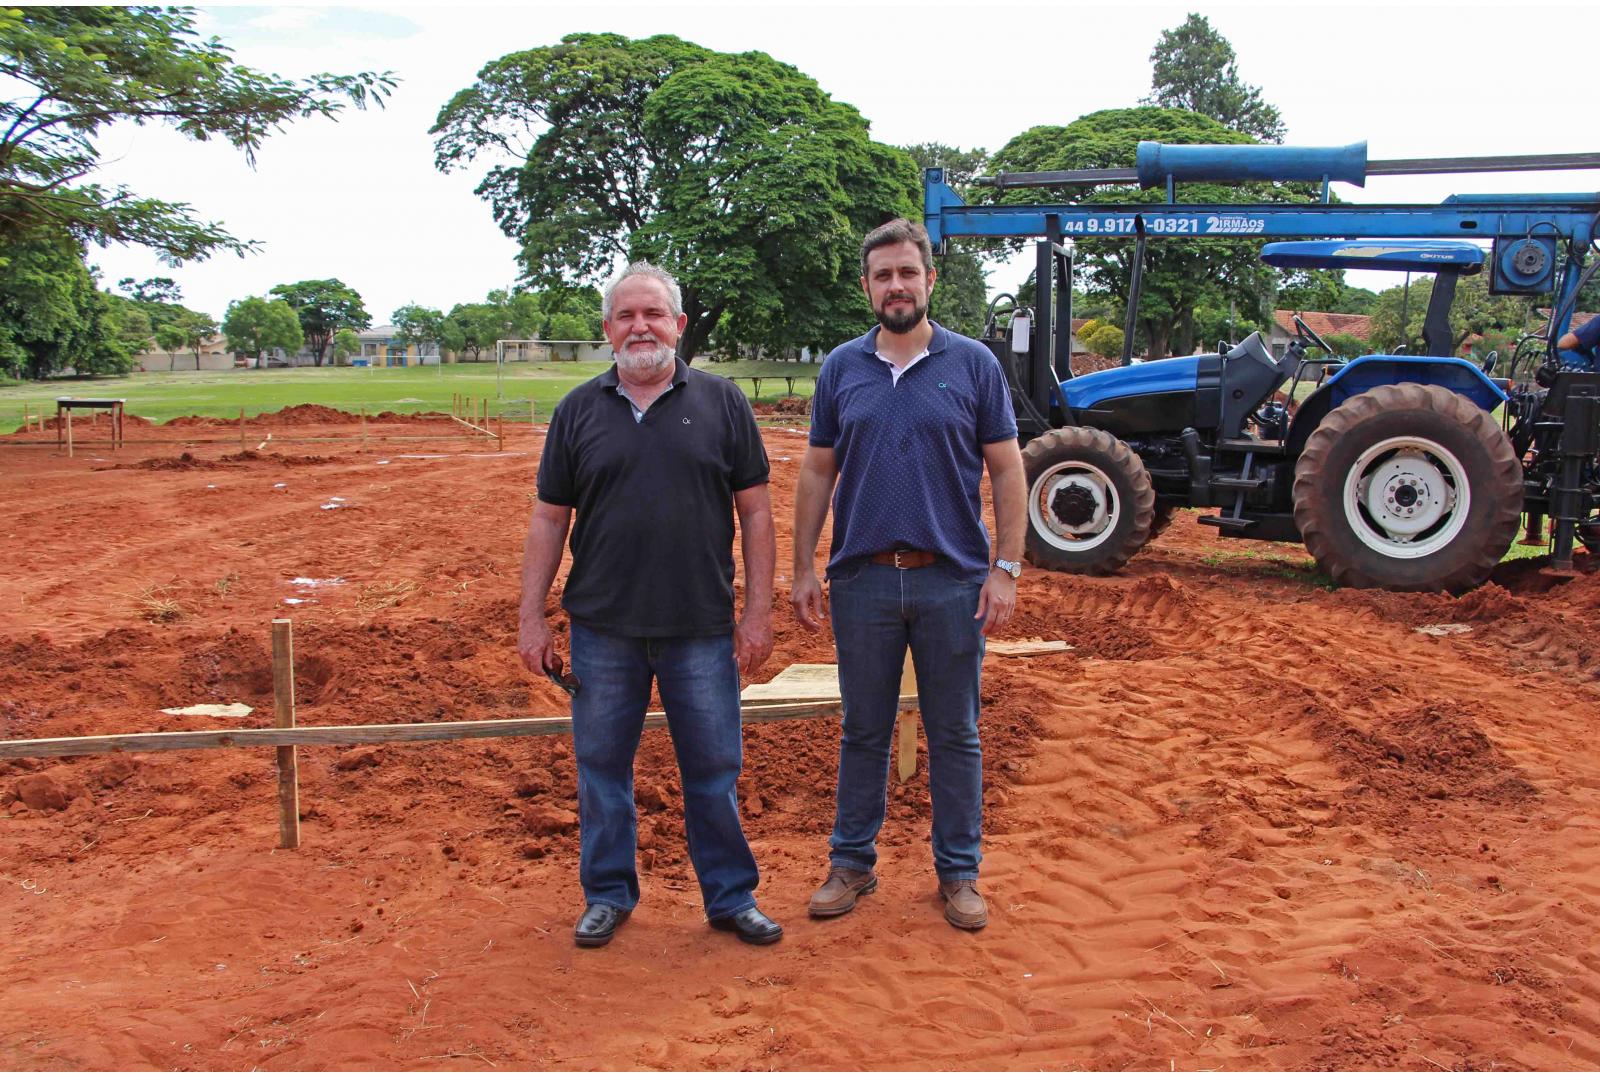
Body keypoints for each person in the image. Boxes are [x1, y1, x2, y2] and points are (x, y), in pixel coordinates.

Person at [517, 261, 781, 948]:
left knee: (714, 770)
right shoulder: (578, 411)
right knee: (603, 768)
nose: (641, 326)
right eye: (626, 316)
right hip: (604, 629)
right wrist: (530, 614)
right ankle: (608, 893)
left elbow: (755, 514)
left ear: (679, 325)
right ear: (607, 330)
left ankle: (729, 897)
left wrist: (757, 613)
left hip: (700, 627)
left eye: (654, 314)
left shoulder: (723, 403)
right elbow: (549, 519)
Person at [790, 218, 1027, 931]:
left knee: (956, 732)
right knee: (863, 729)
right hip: (861, 581)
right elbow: (816, 471)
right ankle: (851, 864)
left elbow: (1009, 467)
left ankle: (958, 874)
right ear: (867, 287)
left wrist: (1006, 567)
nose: (897, 285)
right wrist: (802, 566)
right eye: (883, 275)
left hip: (951, 581)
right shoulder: (841, 369)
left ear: (930, 280)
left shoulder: (974, 365)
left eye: (908, 272)